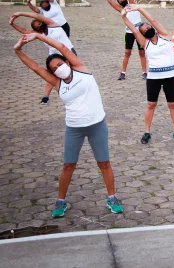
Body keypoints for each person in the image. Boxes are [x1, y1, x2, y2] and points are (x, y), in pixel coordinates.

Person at [13, 32, 122, 218]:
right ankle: (60, 201)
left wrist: (39, 36)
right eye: (54, 68)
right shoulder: (57, 82)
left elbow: (62, 48)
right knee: (68, 166)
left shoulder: (81, 69)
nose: (58, 68)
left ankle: (112, 198)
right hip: (74, 128)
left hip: (97, 125)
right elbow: (35, 68)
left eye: (60, 64)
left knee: (104, 163)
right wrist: (17, 50)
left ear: (67, 62)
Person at [120, 4, 174, 144]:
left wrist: (139, 8)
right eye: (144, 30)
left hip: (170, 76)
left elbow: (154, 21)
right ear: (142, 34)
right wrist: (123, 15)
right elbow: (132, 28)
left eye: (148, 27)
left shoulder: (164, 36)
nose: (147, 29)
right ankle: (147, 132)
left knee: (173, 104)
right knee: (151, 104)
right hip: (154, 78)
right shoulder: (144, 42)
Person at [10, 8, 76, 105]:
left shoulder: (53, 25)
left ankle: (74, 92)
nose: (38, 25)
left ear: (42, 22)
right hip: (54, 56)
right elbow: (24, 30)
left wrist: (20, 13)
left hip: (68, 52)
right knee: (51, 75)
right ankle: (45, 97)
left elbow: (36, 16)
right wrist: (12, 24)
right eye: (35, 26)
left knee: (74, 73)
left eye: (38, 23)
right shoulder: (40, 34)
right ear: (35, 29)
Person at [102, 0, 147, 80]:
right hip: (129, 33)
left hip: (139, 32)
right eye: (120, 0)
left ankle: (145, 73)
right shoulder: (121, 9)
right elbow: (110, 1)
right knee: (127, 53)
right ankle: (123, 73)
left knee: (142, 53)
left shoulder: (132, 4)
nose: (122, 0)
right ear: (119, 3)